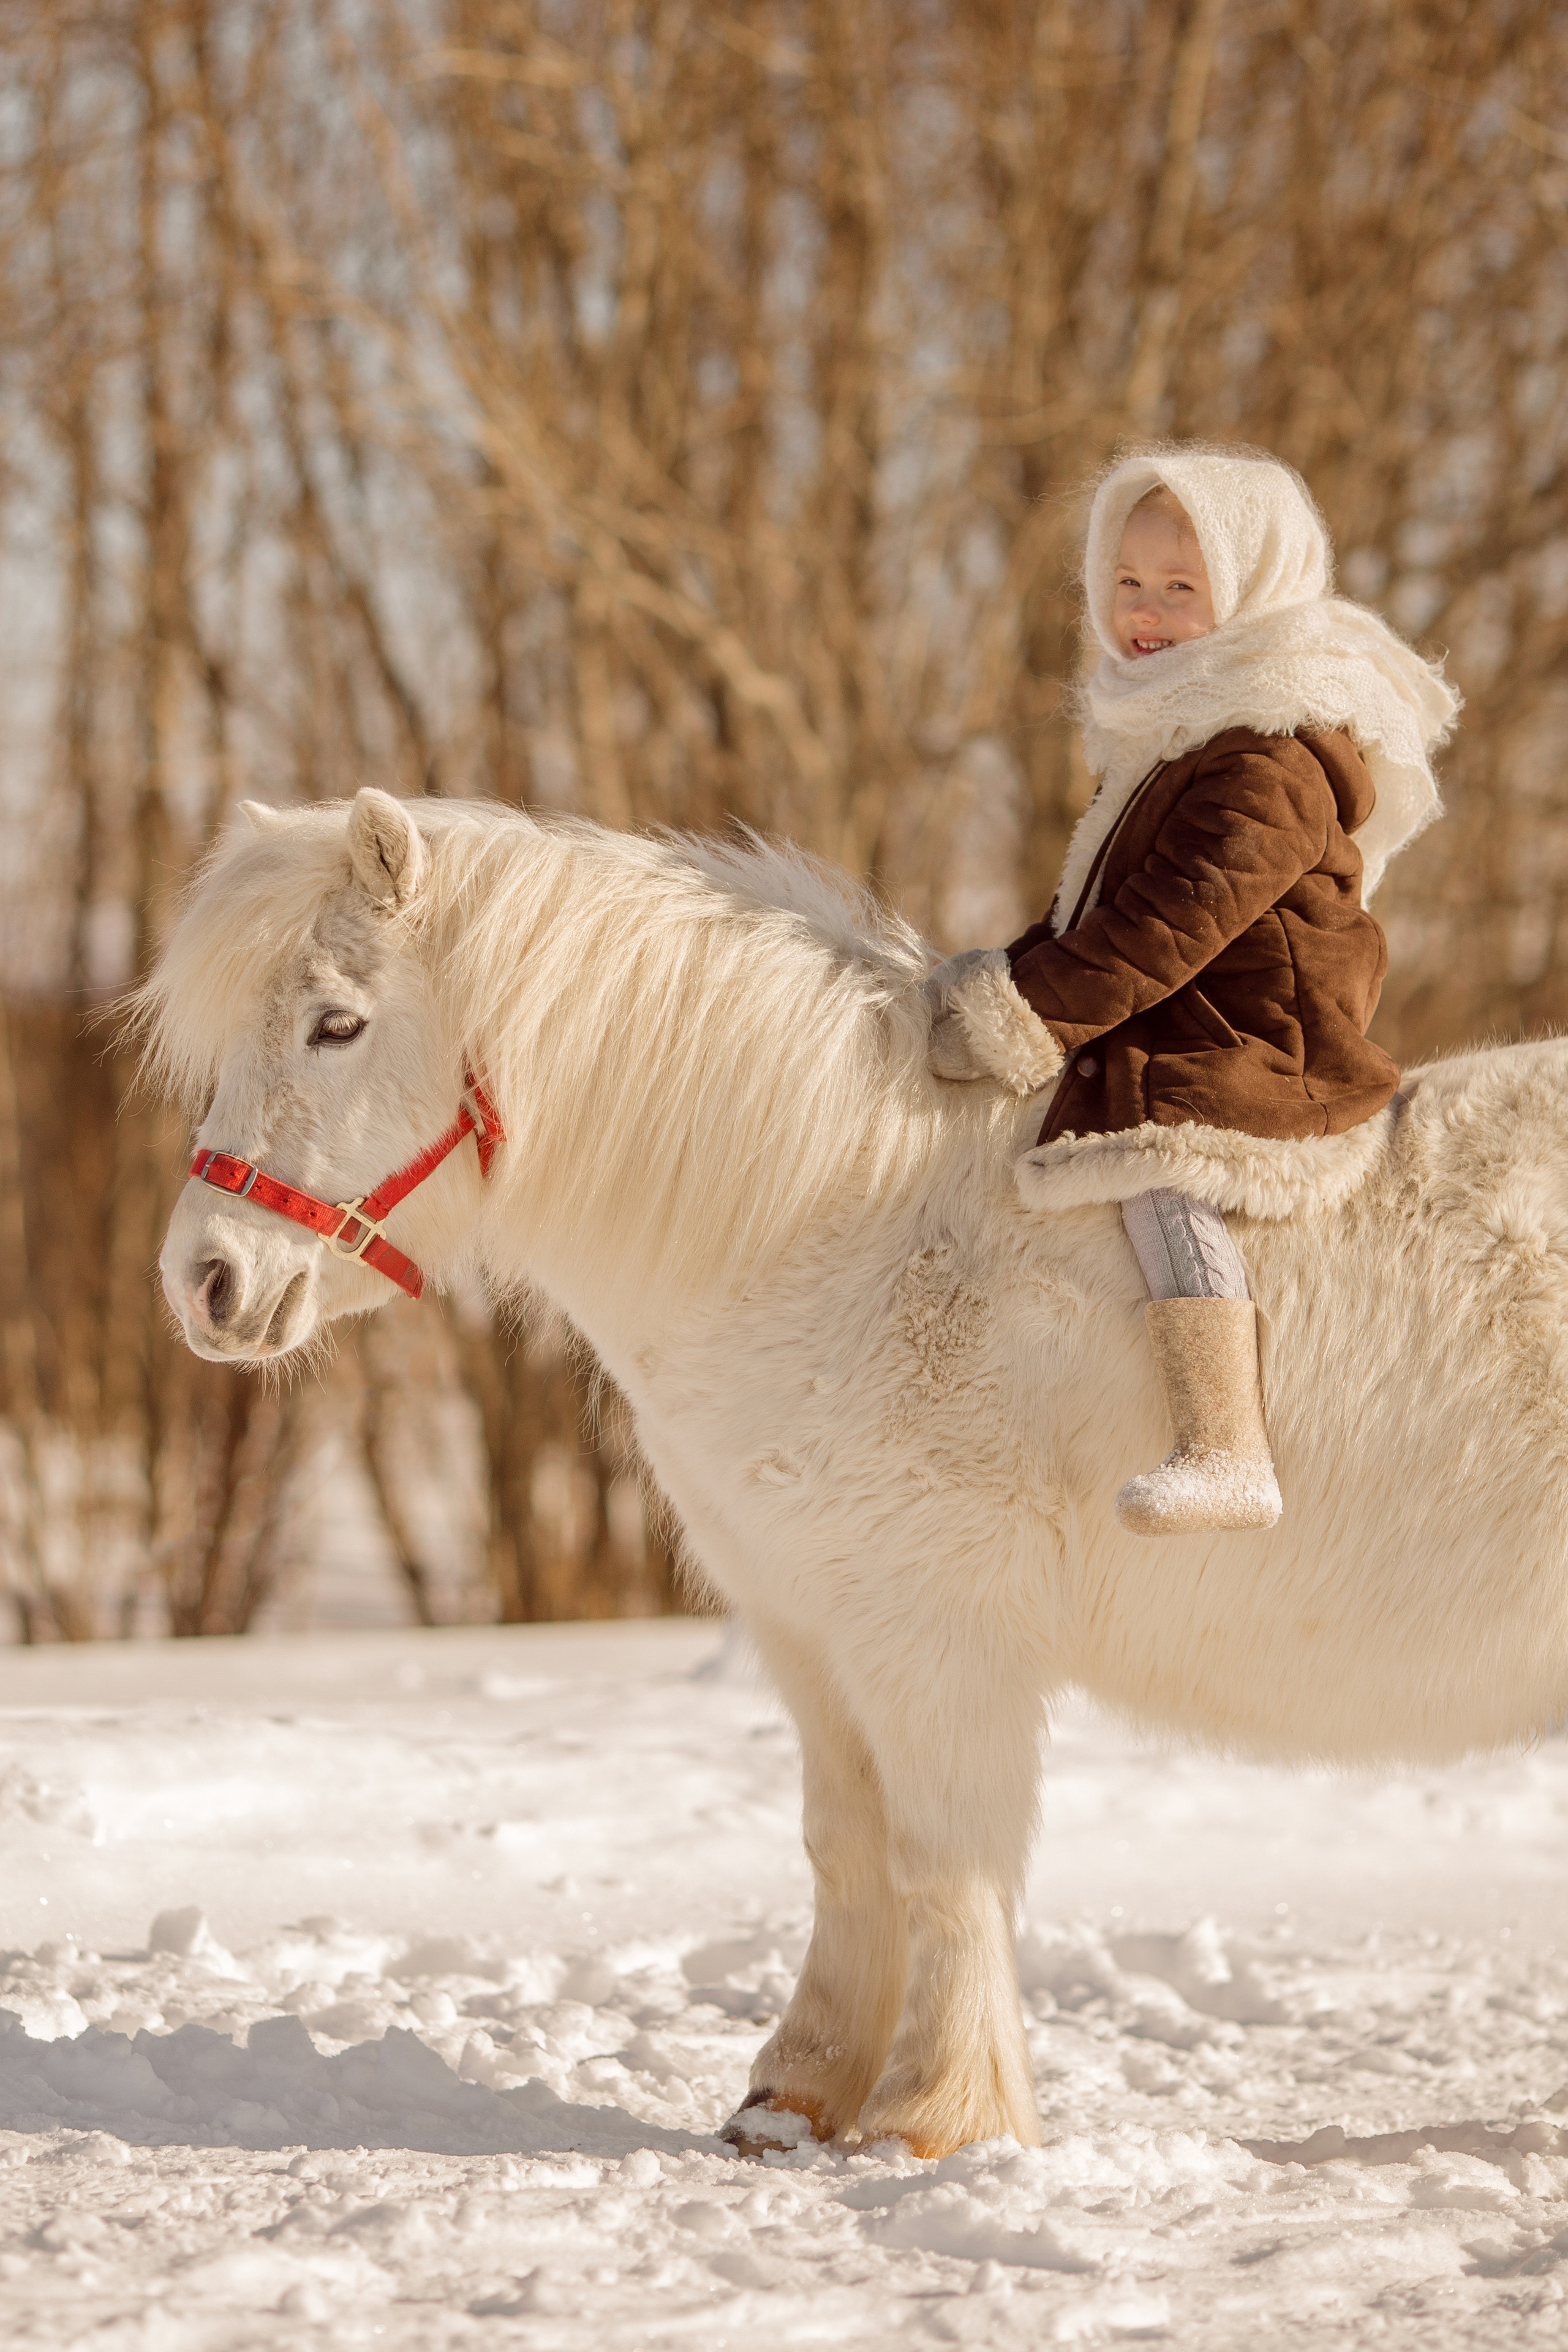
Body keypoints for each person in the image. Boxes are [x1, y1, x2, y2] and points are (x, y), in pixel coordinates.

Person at [924, 445, 1458, 1537]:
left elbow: (1171, 924)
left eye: (1181, 588)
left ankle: (1226, 1444)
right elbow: (1095, 921)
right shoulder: (1178, 732)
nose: (1147, 614)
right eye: (1129, 585)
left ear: (1254, 591)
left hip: (1255, 1038)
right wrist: (999, 982)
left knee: (1166, 1176)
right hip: (1186, 1011)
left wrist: (1025, 1016)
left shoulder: (1267, 754)